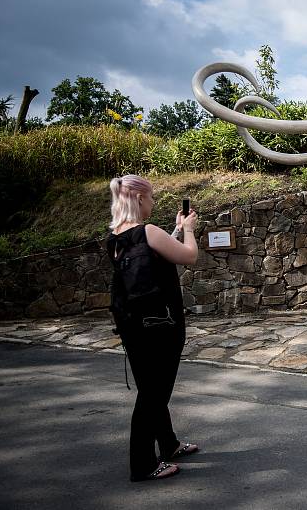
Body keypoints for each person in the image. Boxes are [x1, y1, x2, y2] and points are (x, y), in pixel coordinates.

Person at [107, 175, 200, 482]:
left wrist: (173, 230)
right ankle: (143, 463)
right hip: (162, 326)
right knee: (153, 395)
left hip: (134, 327)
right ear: (139, 199)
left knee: (151, 388)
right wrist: (187, 231)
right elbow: (189, 256)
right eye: (151, 198)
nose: (154, 203)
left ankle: (169, 444)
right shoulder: (147, 231)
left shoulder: (116, 238)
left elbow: (153, 259)